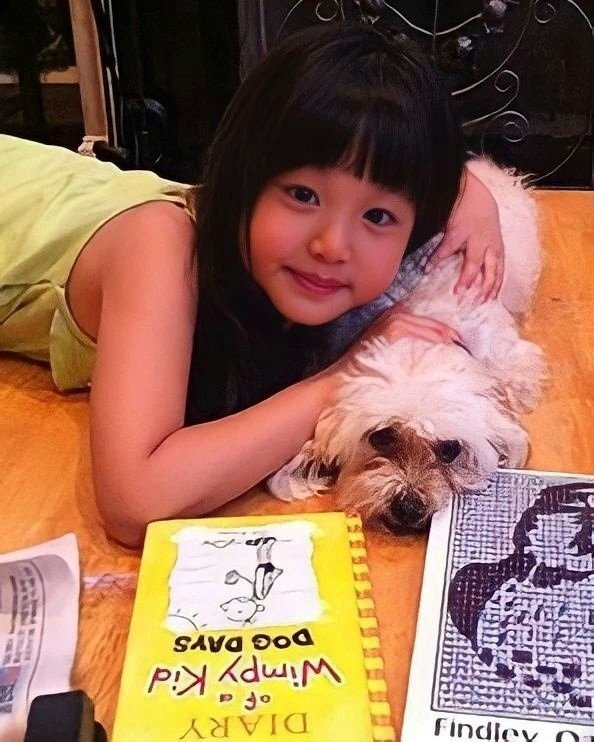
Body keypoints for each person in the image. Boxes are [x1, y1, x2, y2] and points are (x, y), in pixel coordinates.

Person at [0, 23, 505, 547]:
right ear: (243, 177)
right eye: (303, 195)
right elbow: (135, 502)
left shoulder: (268, 261)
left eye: (377, 215)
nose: (333, 245)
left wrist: (475, 195)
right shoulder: (159, 248)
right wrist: (345, 375)